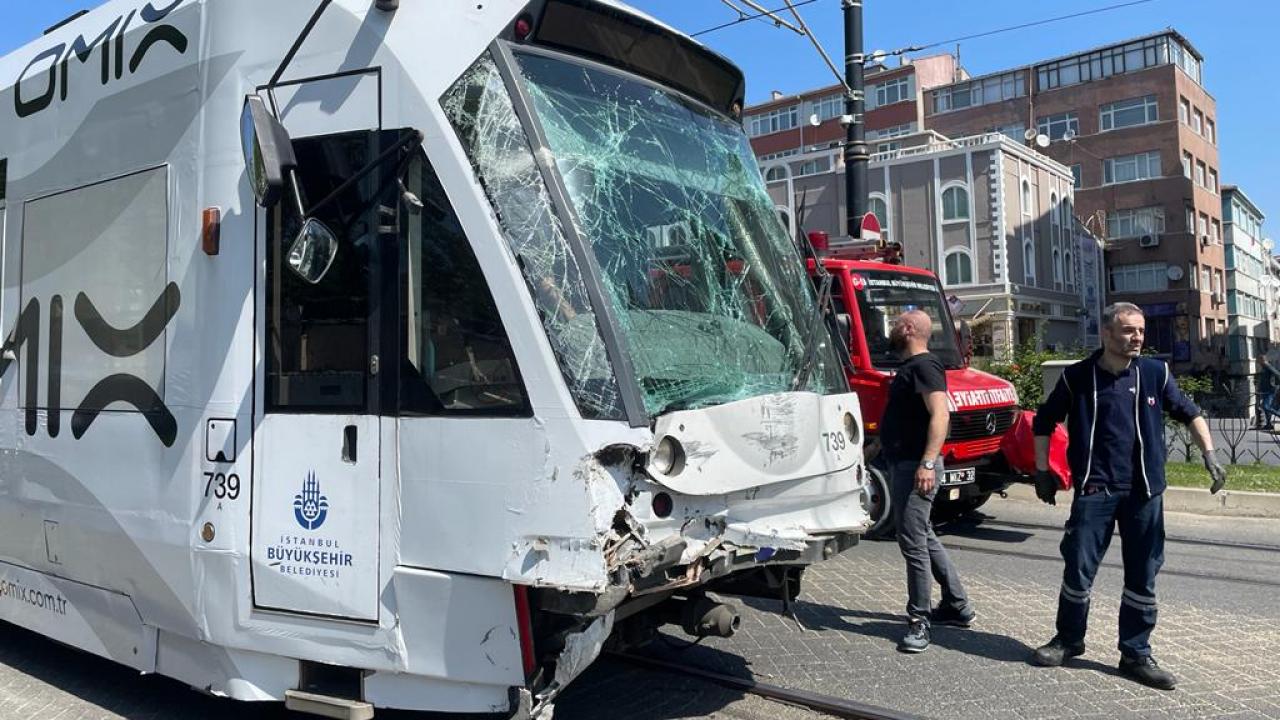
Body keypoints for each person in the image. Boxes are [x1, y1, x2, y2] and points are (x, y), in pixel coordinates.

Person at [1029, 302, 1227, 690]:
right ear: (1106, 333)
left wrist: (1211, 456)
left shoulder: (1156, 373)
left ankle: (1135, 653)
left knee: (1143, 575)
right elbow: (1044, 420)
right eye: (1127, 330)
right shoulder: (1077, 377)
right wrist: (1041, 470)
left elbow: (1190, 413)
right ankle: (1069, 640)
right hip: (1094, 489)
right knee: (1078, 571)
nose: (1137, 337)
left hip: (1144, 492)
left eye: (1140, 331)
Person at [879, 309, 973, 653]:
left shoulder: (924, 366)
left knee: (912, 542)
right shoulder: (911, 368)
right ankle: (957, 605)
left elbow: (940, 415)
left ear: (906, 329)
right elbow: (904, 419)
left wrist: (928, 463)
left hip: (916, 467)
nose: (890, 328)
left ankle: (919, 621)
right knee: (922, 535)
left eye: (895, 323)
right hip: (904, 462)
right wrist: (875, 446)